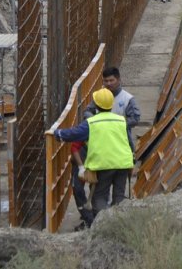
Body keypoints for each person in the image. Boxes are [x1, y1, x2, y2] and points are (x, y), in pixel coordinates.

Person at [53, 88, 133, 222]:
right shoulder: (121, 120)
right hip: (123, 163)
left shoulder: (92, 123)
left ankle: (103, 227)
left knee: (99, 197)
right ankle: (120, 225)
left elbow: (73, 134)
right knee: (119, 196)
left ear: (96, 105)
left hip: (104, 165)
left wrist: (57, 134)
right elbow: (129, 141)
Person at [83, 67, 141, 141]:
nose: (108, 83)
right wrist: (96, 123)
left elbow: (135, 119)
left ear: (118, 80)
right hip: (100, 139)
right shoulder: (99, 96)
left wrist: (114, 125)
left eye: (111, 80)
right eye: (106, 81)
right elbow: (87, 111)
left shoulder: (127, 99)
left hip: (121, 140)